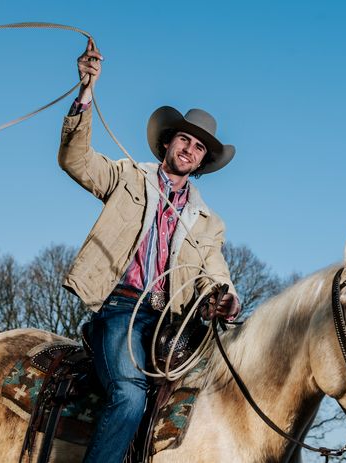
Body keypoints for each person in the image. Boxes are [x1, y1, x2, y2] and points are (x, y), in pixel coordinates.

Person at [57, 38, 241, 463]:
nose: (189, 149)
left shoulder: (209, 222)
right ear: (167, 144)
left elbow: (214, 270)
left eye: (198, 148)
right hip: (123, 308)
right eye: (184, 140)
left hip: (173, 322)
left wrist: (225, 297)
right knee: (128, 395)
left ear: (201, 162)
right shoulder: (127, 176)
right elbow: (76, 160)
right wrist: (86, 90)